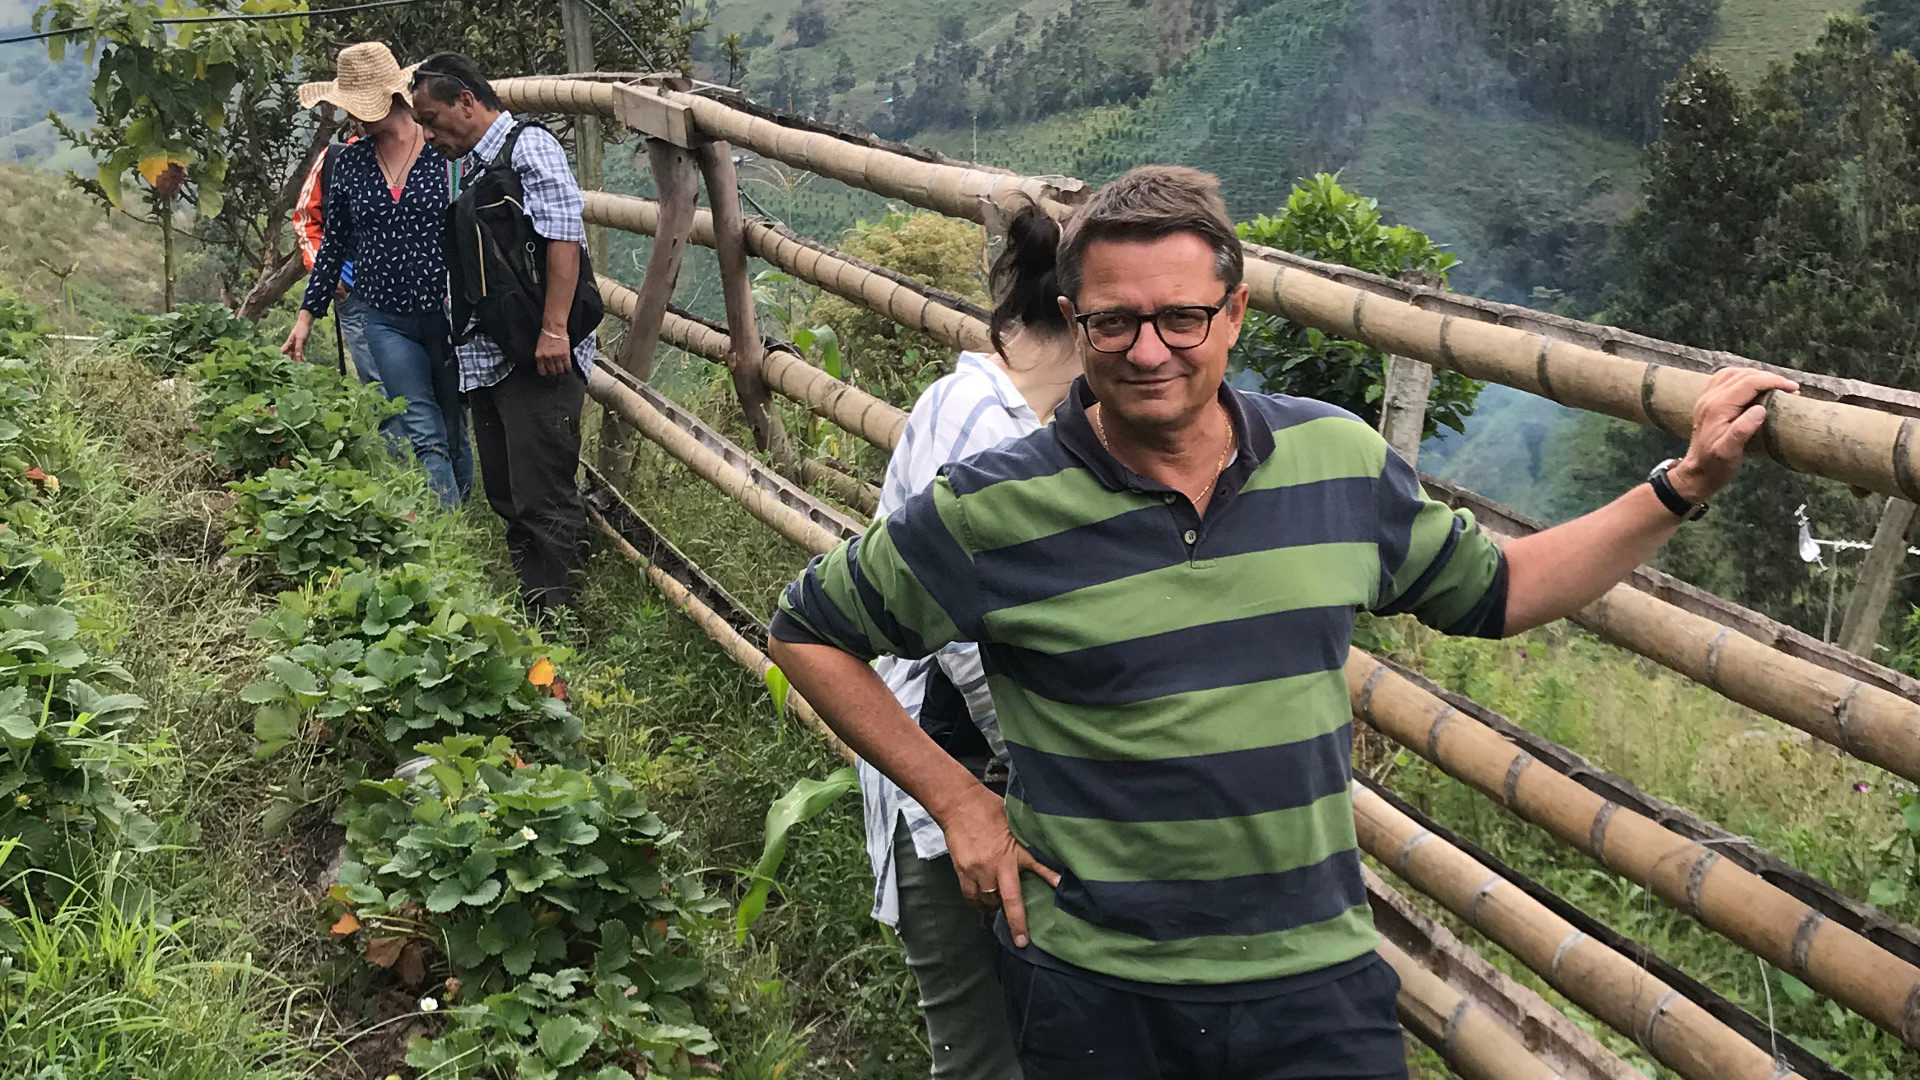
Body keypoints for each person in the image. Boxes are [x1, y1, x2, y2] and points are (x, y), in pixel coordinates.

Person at [767, 165, 1797, 1080]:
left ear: (1236, 314)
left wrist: (1681, 484)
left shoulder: (1335, 462)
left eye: (1182, 318)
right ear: (1075, 322)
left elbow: (1503, 588)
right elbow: (809, 627)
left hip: (1312, 978)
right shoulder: (993, 507)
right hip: (1095, 986)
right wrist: (958, 801)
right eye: (1113, 323)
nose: (1148, 350)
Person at [866, 201, 1079, 1080]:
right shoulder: (983, 424)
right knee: (986, 1050)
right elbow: (972, 645)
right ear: (1079, 316)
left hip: (979, 784)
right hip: (960, 792)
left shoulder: (1014, 414)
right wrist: (1071, 779)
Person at [408, 51, 593, 618]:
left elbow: (564, 236)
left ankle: (564, 620)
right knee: (508, 494)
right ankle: (536, 610)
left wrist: (555, 331)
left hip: (537, 356)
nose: (427, 133)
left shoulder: (528, 148)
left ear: (466, 101)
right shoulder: (465, 163)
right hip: (487, 355)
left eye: (432, 118)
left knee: (544, 495)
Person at [284, 42, 471, 508]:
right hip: (384, 318)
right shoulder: (345, 161)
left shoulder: (444, 152)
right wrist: (308, 314)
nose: (354, 117)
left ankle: (462, 517)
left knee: (454, 427)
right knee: (422, 428)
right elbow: (334, 242)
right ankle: (442, 534)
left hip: (447, 314)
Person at [291, 118, 370, 382]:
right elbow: (305, 218)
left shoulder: (422, 152)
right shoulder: (335, 158)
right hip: (353, 291)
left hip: (420, 294)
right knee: (381, 392)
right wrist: (326, 276)